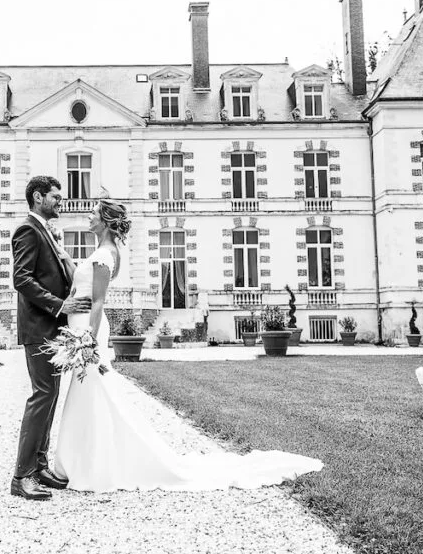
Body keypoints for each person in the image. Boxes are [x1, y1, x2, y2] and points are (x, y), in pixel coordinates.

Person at [51, 199, 324, 492]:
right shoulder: (102, 252)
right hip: (80, 327)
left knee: (91, 391)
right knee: (88, 391)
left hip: (87, 330)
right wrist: (64, 255)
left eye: (93, 214)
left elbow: (99, 300)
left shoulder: (105, 255)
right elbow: (81, 276)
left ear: (104, 221)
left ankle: (92, 463)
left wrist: (88, 339)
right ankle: (85, 459)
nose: (89, 217)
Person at [10, 176, 91, 500]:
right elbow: (22, 279)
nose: (62, 201)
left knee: (50, 397)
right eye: (56, 197)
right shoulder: (28, 230)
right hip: (39, 328)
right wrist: (60, 305)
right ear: (38, 196)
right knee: (42, 396)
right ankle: (22, 476)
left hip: (52, 329)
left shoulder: (47, 230)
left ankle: (40, 465)